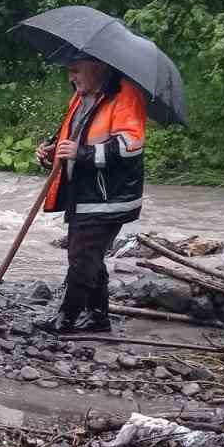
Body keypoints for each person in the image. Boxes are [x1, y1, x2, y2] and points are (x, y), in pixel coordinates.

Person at [35, 53, 147, 334]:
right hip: (84, 193)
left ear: (97, 67)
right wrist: (51, 150)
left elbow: (130, 146)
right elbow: (72, 136)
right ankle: (98, 318)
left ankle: (66, 319)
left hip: (109, 197)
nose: (70, 78)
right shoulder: (82, 95)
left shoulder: (125, 95)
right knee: (88, 255)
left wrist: (81, 153)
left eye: (75, 70)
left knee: (82, 256)